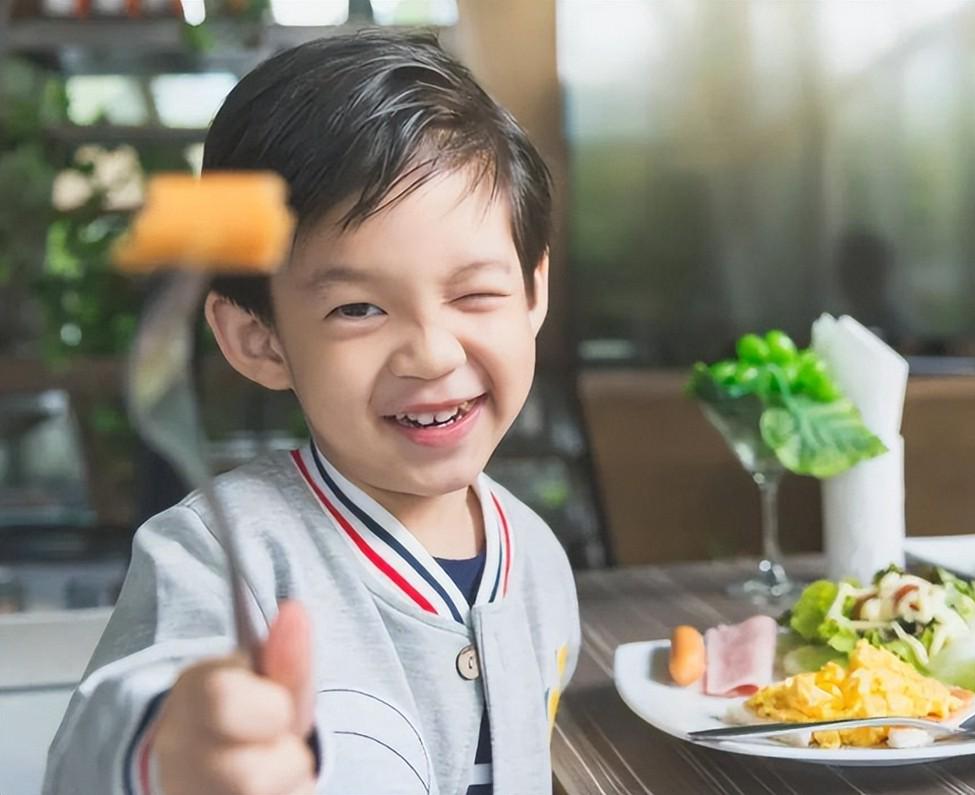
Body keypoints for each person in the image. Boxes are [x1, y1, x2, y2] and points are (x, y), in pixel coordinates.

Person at [44, 30, 579, 795]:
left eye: (474, 293)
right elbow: (102, 743)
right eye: (358, 308)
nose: (432, 353)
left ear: (532, 292)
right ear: (258, 339)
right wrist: (168, 749)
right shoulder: (217, 555)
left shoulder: (538, 559)